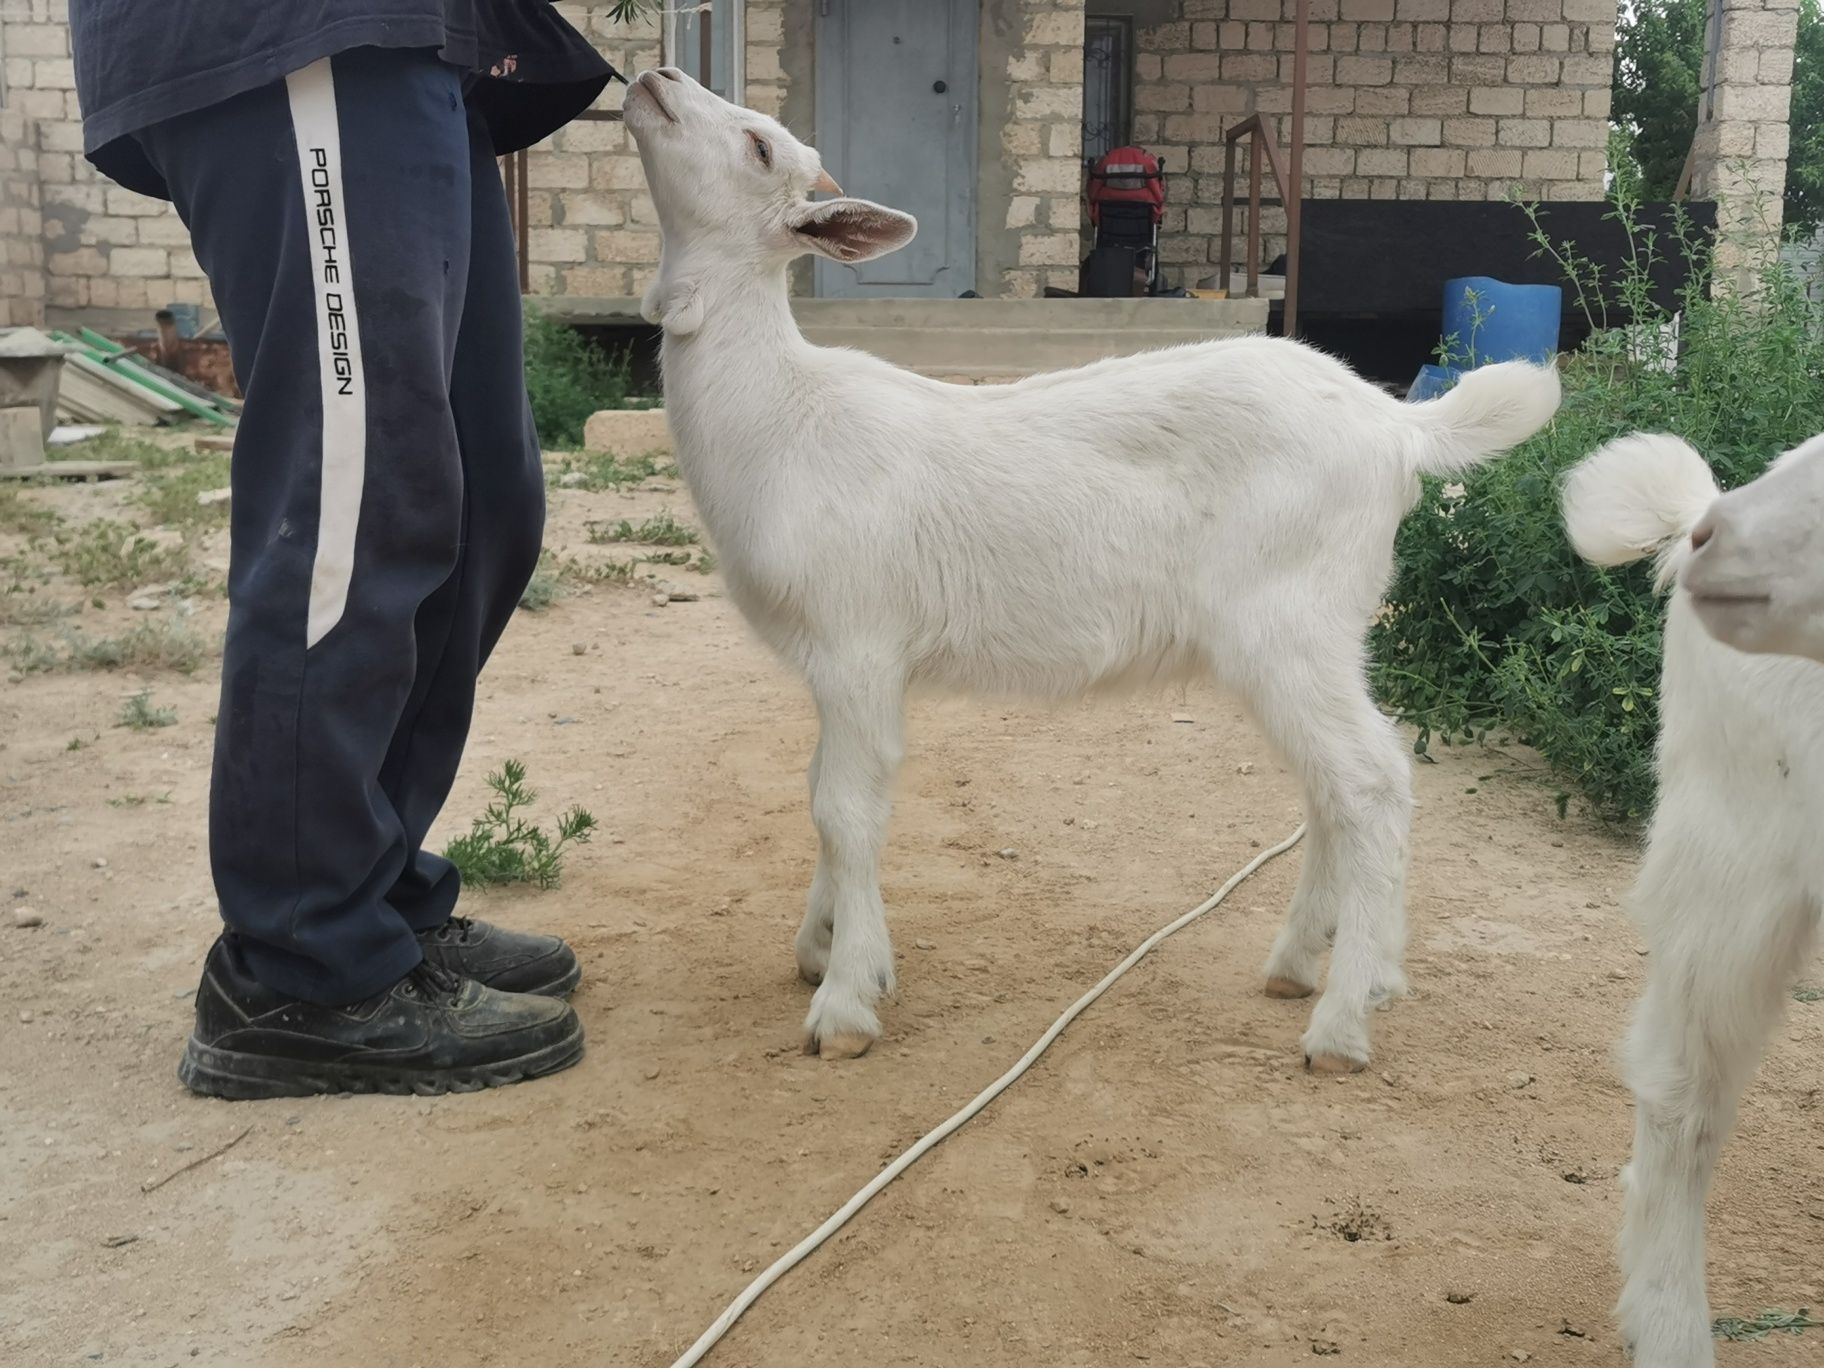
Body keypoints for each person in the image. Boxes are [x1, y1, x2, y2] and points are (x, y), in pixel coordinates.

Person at [68, 3, 618, 1099]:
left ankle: (372, 898)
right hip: (297, 32)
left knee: (478, 495)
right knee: (355, 501)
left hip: (423, 48)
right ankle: (301, 968)